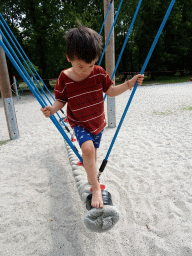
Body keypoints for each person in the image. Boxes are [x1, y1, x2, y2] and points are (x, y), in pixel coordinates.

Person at [41, 26, 144, 209]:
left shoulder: (98, 72)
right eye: (80, 65)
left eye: (90, 64)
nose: (85, 70)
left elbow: (111, 91)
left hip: (98, 123)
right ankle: (95, 188)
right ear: (69, 58)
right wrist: (53, 109)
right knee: (87, 151)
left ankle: (92, 175)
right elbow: (61, 100)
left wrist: (130, 83)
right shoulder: (64, 77)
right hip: (79, 123)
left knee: (93, 156)